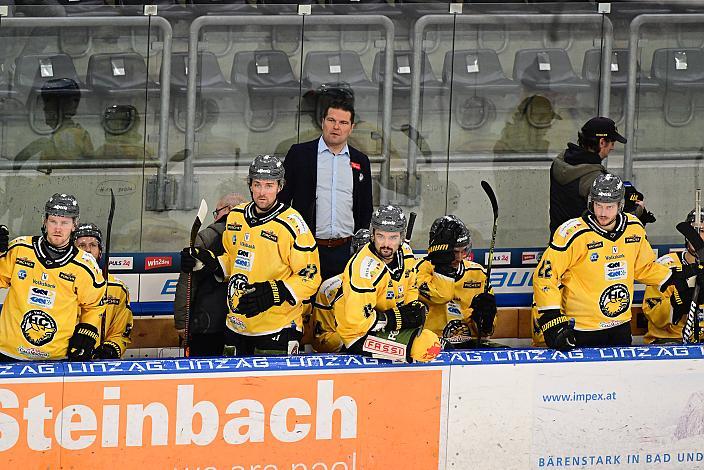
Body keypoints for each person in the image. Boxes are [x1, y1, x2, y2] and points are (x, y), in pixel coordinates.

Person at [534, 174, 699, 351]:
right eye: (598, 205)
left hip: (620, 326)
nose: (603, 213)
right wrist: (551, 318)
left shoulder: (634, 228)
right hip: (582, 328)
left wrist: (675, 277)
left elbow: (643, 268)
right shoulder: (572, 233)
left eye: (609, 207)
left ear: (620, 205)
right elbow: (545, 277)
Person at [180, 155, 321, 356]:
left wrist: (276, 291)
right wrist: (207, 262)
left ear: (280, 187)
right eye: (257, 185)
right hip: (237, 325)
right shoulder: (236, 216)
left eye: (269, 185)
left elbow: (310, 278)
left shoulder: (293, 225)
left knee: (272, 388)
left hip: (277, 327)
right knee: (235, 387)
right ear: (250, 185)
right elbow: (233, 261)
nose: (262, 193)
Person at [0, 193, 105, 361]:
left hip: (56, 357)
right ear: (44, 221)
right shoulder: (20, 249)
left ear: (74, 225)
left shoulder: (85, 266)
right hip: (9, 351)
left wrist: (88, 328)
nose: (58, 228)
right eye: (53, 221)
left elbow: (94, 305)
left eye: (64, 223)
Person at [279, 99, 373, 280]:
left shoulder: (361, 161)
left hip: (347, 251)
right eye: (331, 120)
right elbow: (283, 201)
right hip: (306, 248)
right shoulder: (300, 154)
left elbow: (366, 208)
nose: (336, 127)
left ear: (351, 128)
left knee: (342, 305)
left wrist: (358, 244)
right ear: (322, 122)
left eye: (343, 122)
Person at [336, 205, 442, 363]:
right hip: (358, 334)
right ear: (372, 235)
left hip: (389, 324)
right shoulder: (364, 268)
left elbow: (411, 286)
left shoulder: (406, 253)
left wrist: (411, 308)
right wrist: (395, 319)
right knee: (427, 346)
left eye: (393, 237)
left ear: (401, 237)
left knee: (436, 339)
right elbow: (356, 320)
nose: (386, 244)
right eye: (380, 236)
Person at [173, 192, 244, 357]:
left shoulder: (206, 237)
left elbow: (188, 282)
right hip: (244, 325)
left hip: (207, 325)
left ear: (230, 209)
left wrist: (182, 322)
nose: (215, 217)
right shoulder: (254, 236)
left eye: (217, 212)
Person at [416, 215, 498, 348]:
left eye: (464, 250)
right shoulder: (418, 270)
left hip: (466, 344)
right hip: (430, 345)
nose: (460, 257)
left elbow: (485, 333)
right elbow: (440, 296)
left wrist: (486, 321)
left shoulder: (478, 273)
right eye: (454, 252)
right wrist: (443, 266)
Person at [549, 117, 628, 235]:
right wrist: (639, 210)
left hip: (558, 242)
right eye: (612, 142)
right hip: (584, 247)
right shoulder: (595, 179)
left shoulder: (560, 161)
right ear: (602, 142)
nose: (612, 147)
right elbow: (609, 220)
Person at [304, 228, 371, 353]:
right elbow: (321, 339)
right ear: (353, 253)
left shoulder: (391, 283)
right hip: (343, 357)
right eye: (363, 254)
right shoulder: (330, 288)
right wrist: (354, 341)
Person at [642, 209, 704, 344]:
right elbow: (652, 313)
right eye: (694, 231)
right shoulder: (666, 265)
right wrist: (677, 303)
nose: (698, 236)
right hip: (668, 340)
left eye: (703, 231)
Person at [74, 222, 133, 359]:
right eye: (82, 245)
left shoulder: (117, 289)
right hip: (66, 359)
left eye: (93, 245)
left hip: (101, 364)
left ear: (100, 251)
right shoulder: (61, 283)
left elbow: (121, 331)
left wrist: (111, 347)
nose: (88, 250)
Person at [15, 78, 94, 162]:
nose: (44, 109)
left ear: (60, 108)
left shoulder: (70, 136)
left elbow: (66, 169)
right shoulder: (80, 133)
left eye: (47, 103)